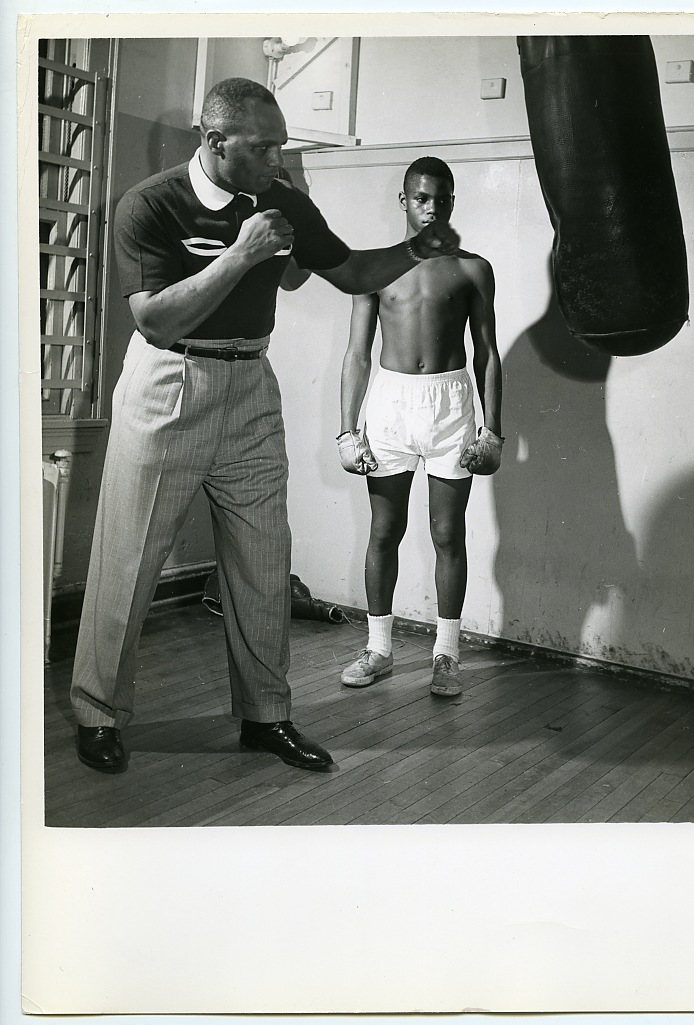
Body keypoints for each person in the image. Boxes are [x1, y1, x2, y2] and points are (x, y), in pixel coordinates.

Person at [70, 79, 459, 774]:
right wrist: (241, 254)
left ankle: (265, 715)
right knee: (127, 561)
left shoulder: (283, 201)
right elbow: (154, 319)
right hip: (168, 383)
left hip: (250, 385)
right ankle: (98, 714)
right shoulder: (150, 203)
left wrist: (419, 248)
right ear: (214, 142)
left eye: (281, 145)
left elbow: (351, 271)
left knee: (263, 560)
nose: (278, 160)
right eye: (263, 147)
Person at [337, 157, 503, 697]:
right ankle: (378, 649)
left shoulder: (473, 269)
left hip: (450, 404)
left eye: (442, 199)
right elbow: (357, 353)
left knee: (447, 533)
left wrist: (493, 432)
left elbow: (487, 354)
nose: (432, 208)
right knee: (384, 530)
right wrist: (346, 431)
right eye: (422, 198)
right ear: (404, 201)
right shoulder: (372, 268)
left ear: (452, 202)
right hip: (391, 404)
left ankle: (446, 656)